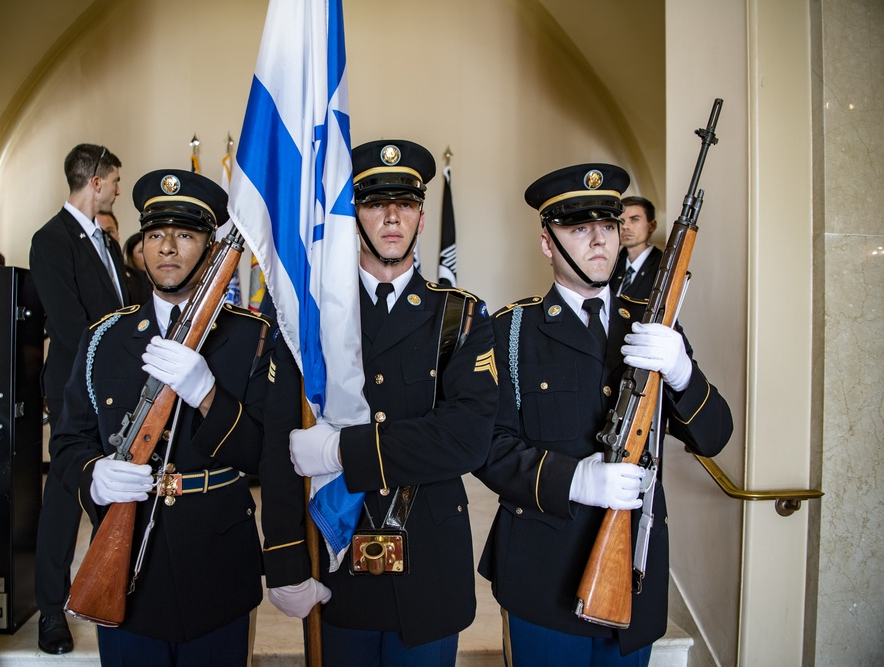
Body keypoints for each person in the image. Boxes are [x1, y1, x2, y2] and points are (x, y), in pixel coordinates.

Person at [474, 163, 733, 665]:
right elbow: (485, 448)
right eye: (579, 228)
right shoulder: (509, 331)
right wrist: (574, 480)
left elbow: (715, 435)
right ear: (548, 243)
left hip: (632, 574)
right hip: (543, 576)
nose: (599, 241)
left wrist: (681, 371)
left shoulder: (652, 328)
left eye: (609, 226)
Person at [271, 140, 499, 665]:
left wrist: (341, 451)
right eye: (375, 203)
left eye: (405, 204)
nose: (391, 216)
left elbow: (465, 439)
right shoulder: (314, 321)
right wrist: (285, 559)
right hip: (335, 558)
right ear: (355, 217)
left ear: (421, 217)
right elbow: (279, 441)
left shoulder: (459, 317)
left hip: (428, 568)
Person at [50, 168, 286, 665]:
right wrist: (95, 477)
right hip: (129, 566)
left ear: (208, 245)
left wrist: (207, 394)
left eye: (186, 234)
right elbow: (70, 443)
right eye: (156, 234)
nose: (168, 248)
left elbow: (268, 456)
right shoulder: (104, 339)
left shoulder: (254, 337)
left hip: (217, 567)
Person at [28, 143, 129, 654]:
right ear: (95, 181)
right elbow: (69, 325)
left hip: (115, 388)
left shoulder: (107, 243)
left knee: (113, 499)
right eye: (113, 180)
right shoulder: (50, 240)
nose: (116, 188)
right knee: (65, 501)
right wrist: (118, 355)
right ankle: (51, 610)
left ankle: (111, 592)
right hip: (75, 388)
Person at [611, 195, 663, 300]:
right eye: (621, 221)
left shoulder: (662, 265)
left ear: (652, 226)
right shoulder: (613, 264)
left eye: (634, 220)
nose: (625, 226)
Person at [123, 231, 152, 304]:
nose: (148, 255)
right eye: (141, 251)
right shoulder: (127, 286)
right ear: (131, 257)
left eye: (150, 250)